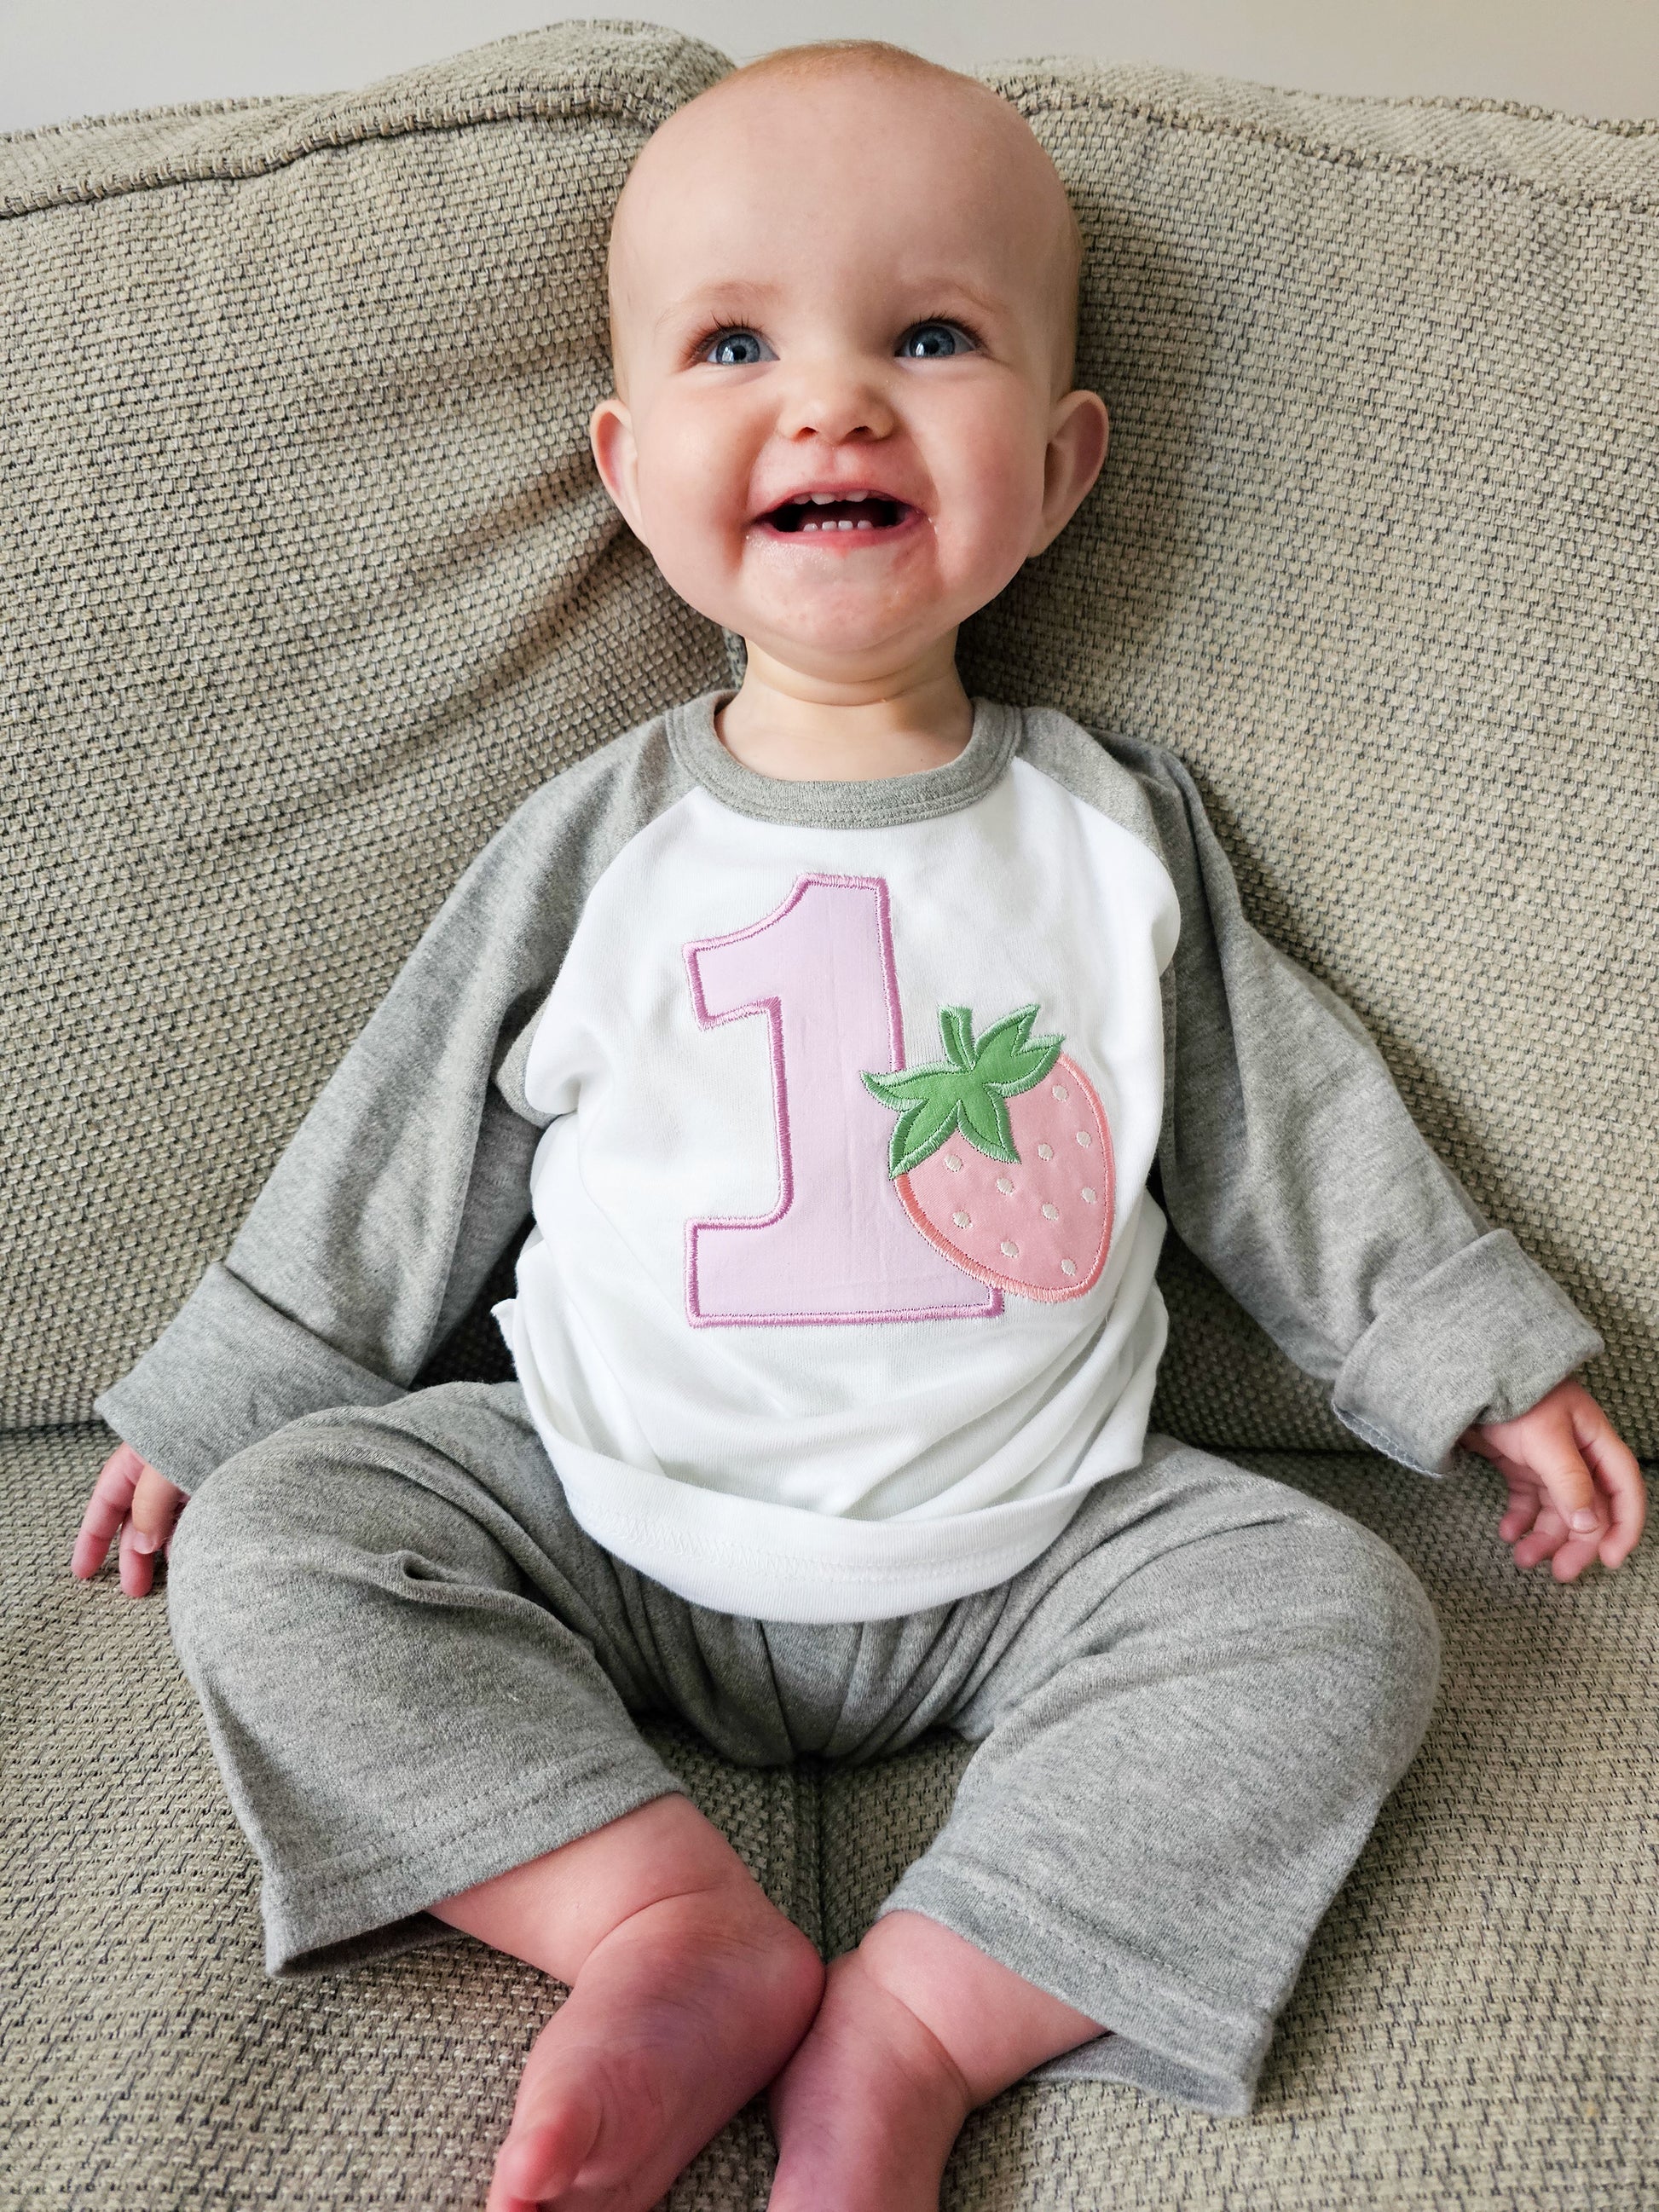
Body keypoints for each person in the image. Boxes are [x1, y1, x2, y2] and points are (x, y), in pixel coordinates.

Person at [71, 39, 1646, 2212]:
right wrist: (246, 1380)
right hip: (601, 1509)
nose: (831, 403)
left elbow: (1284, 1123)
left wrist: (1474, 1351)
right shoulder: (595, 836)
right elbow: (410, 1121)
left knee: (1337, 1610)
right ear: (627, 465)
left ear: (1063, 460)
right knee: (289, 1541)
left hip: (1034, 1545)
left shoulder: (1114, 831)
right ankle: (654, 1921)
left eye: (929, 336)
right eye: (738, 345)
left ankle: (915, 2017)